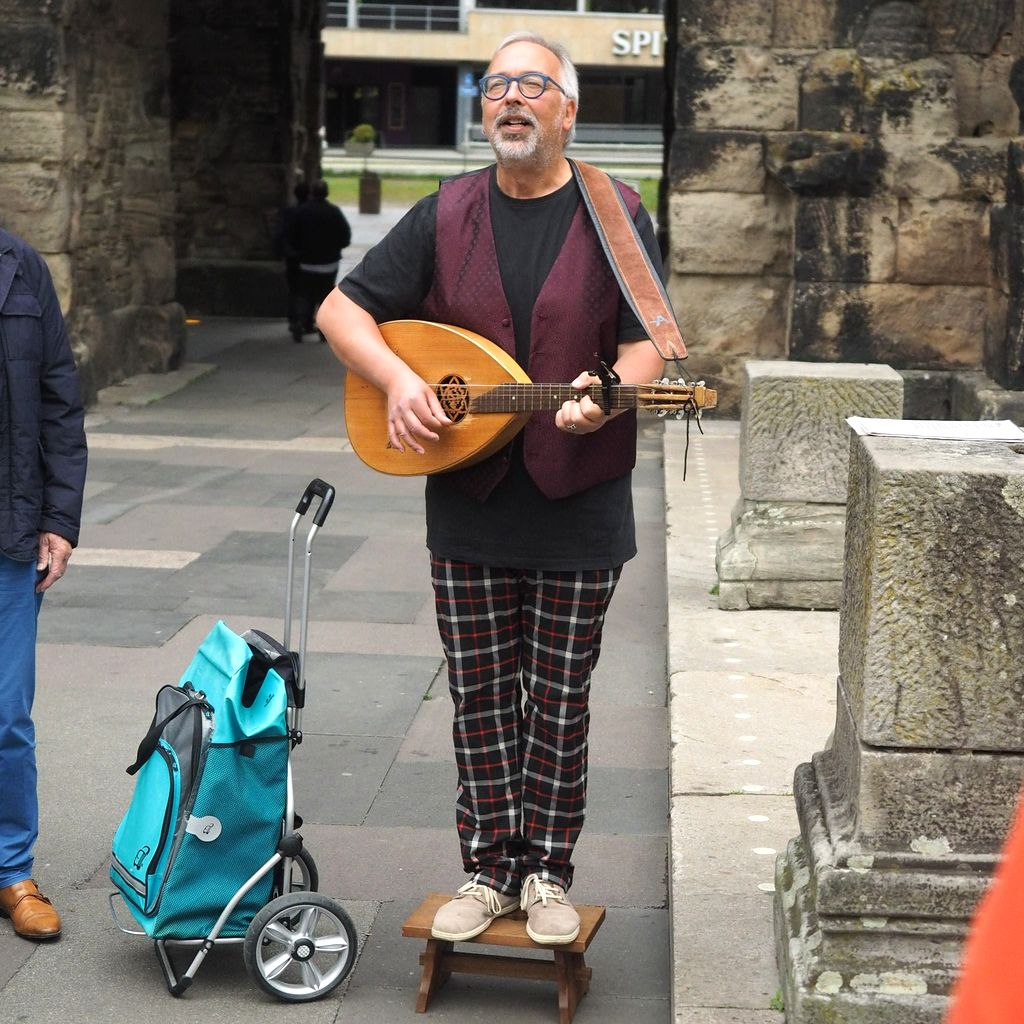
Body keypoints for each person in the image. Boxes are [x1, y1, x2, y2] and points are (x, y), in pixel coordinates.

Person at [316, 30, 666, 945]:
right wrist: (399, 381)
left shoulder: (615, 210)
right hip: (467, 501)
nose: (511, 98)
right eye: (496, 85)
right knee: (477, 694)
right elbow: (340, 309)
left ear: (568, 108)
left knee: (558, 696)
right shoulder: (445, 211)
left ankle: (547, 871)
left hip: (578, 505)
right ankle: (486, 868)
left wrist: (609, 400)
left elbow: (649, 345)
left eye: (533, 86)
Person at [0, 227, 87, 941]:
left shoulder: (19, 264)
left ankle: (11, 871)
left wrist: (60, 516)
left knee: (7, 715)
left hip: (9, 529)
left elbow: (59, 396)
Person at [288, 179, 351, 343]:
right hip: (329, 263)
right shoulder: (334, 212)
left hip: (307, 262)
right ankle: (323, 329)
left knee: (305, 294)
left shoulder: (301, 212)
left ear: (311, 193)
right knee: (325, 295)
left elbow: (292, 235)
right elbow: (345, 236)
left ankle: (300, 322)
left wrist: (297, 251)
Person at [272, 180, 310, 342]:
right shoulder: (309, 213)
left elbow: (280, 235)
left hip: (294, 257)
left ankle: (295, 319)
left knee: (295, 291)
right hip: (309, 258)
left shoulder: (289, 212)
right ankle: (305, 321)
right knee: (307, 291)